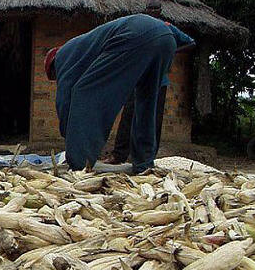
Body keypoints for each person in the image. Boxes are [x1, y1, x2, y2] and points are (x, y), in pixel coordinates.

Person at [44, 13, 194, 173]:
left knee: (84, 91)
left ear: (52, 65)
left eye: (54, 76)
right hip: (167, 41)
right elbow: (190, 42)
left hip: (134, 36)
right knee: (146, 103)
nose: (57, 78)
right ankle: (144, 164)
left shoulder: (62, 56)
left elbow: (64, 100)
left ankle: (79, 163)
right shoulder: (81, 49)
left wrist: (68, 132)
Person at [105, 0, 196, 164]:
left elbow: (190, 42)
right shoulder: (141, 28)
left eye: (156, 9)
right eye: (150, 9)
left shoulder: (167, 28)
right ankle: (119, 155)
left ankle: (147, 157)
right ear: (146, 11)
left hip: (158, 81)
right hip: (137, 79)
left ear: (160, 11)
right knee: (128, 116)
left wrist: (171, 50)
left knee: (154, 119)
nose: (153, 11)